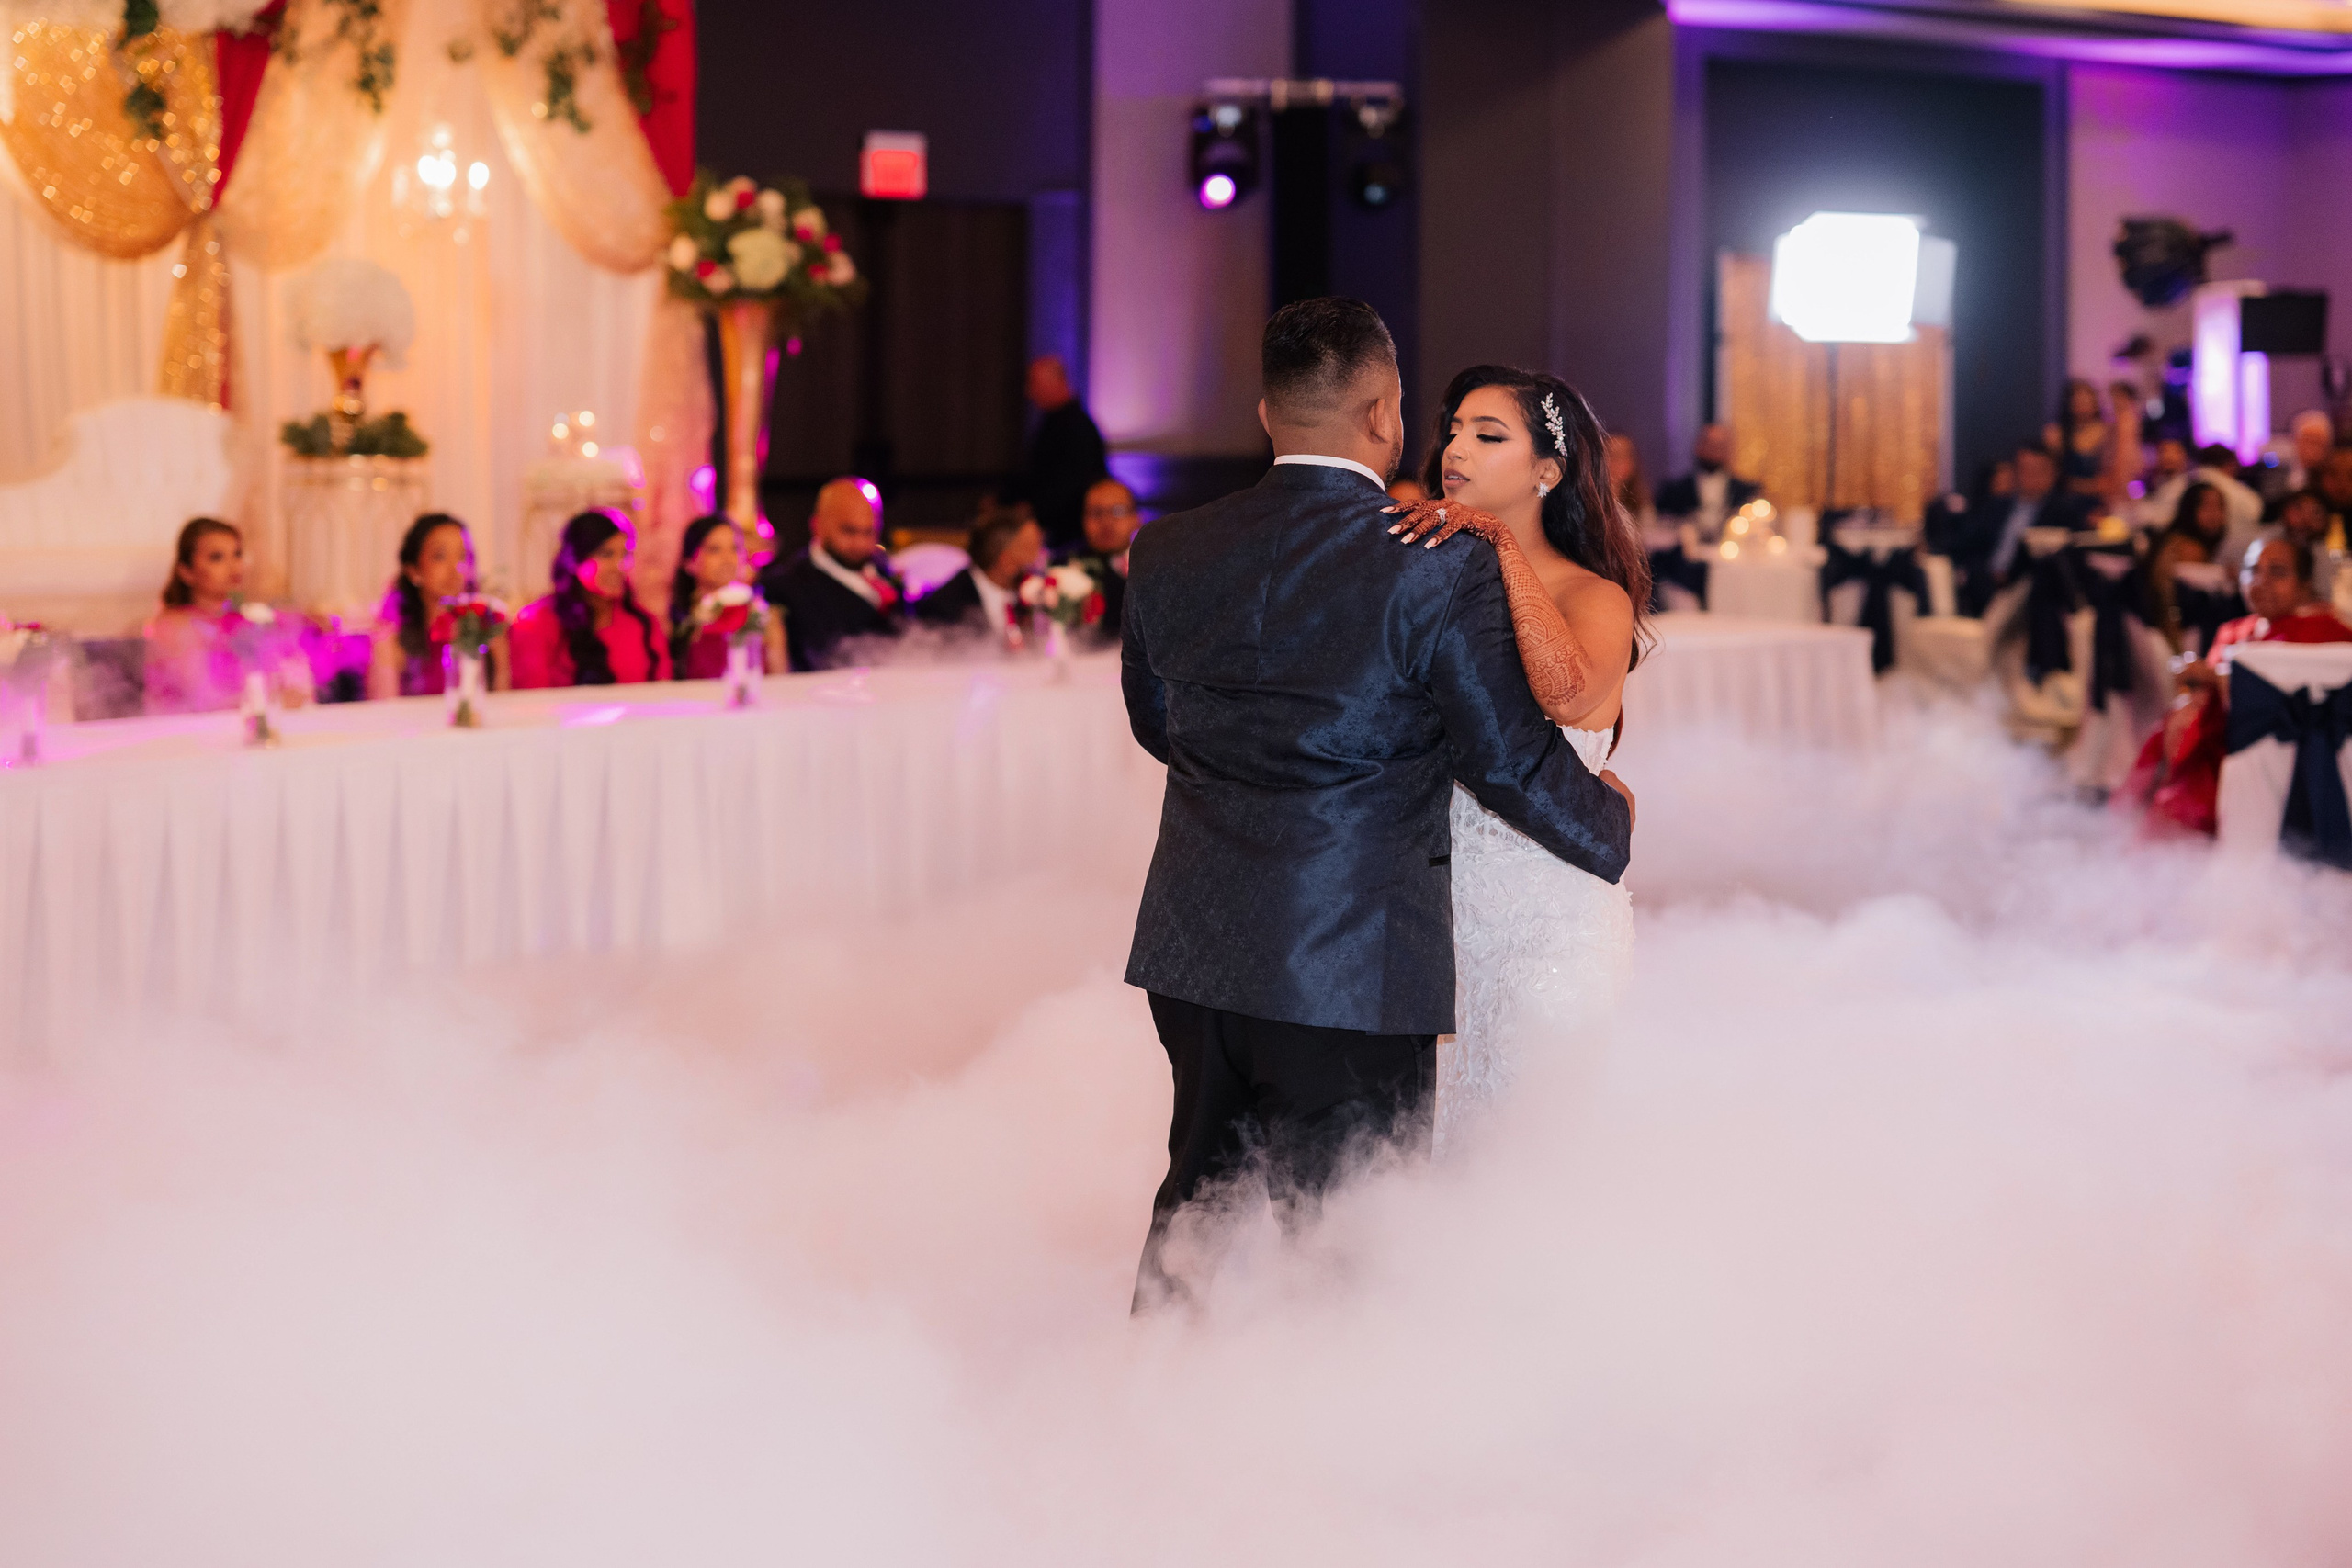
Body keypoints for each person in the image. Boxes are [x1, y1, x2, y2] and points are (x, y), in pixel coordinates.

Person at [1120, 298, 1633, 1309]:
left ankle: (1152, 1424)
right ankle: (1331, 1458)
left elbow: (1158, 724)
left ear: (1269, 414)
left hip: (1194, 944)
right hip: (1348, 957)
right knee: (1348, 1243)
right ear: (1386, 417)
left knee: (1198, 1211)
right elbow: (1505, 760)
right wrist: (1609, 826)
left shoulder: (1166, 546)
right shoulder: (1431, 560)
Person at [1385, 367, 1651, 1147]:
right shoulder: (1428, 576)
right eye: (1455, 429)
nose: (1456, 448)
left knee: (1527, 1148)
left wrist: (1500, 542)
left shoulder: (1591, 593)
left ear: (1547, 471)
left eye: (1487, 435)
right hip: (1434, 907)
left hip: (1547, 913)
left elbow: (1567, 693)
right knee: (1427, 1152)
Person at [2122, 535, 2352, 838]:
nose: (2261, 581)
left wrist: (2214, 677)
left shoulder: (2326, 631)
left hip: (2273, 753)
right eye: (2253, 570)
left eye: (2278, 572)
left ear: (2305, 584)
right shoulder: (2234, 630)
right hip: (2219, 742)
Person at [144, 517, 312, 716]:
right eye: (217, 557)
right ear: (186, 572)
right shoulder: (173, 626)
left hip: (229, 730)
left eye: (237, 554)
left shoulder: (238, 620)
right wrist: (273, 699)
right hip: (182, 737)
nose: (234, 566)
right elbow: (202, 700)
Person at [758, 478, 908, 671]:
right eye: (849, 531)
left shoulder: (884, 570)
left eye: (869, 532)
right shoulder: (785, 587)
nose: (860, 543)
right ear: (817, 526)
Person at [509, 510, 670, 688]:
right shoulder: (537, 622)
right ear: (574, 560)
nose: (620, 566)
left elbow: (662, 698)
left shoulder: (644, 624)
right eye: (606, 554)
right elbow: (531, 702)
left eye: (625, 555)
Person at [369, 513, 508, 700]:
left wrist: (499, 656)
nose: (456, 568)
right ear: (414, 571)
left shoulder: (488, 631)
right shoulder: (393, 641)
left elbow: (503, 704)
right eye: (440, 556)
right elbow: (384, 717)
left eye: (463, 556)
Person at [668, 514, 786, 680]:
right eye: (714, 549)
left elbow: (780, 683)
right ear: (689, 562)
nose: (728, 558)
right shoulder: (675, 623)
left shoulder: (763, 617)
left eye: (735, 548)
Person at [1020, 354, 1108, 552]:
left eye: (1034, 384)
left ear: (1055, 383)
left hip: (1068, 535)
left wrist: (1035, 512)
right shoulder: (1053, 422)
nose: (1029, 393)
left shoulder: (1077, 427)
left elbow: (1072, 484)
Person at [914, 506, 1044, 633]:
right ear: (1006, 561)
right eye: (1032, 549)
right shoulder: (944, 609)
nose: (1041, 557)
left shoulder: (1035, 600)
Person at [2146, 481, 2232, 651]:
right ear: (2190, 509)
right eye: (2206, 507)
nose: (2214, 515)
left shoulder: (2174, 538)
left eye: (2219, 507)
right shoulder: (2187, 547)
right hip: (2175, 638)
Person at [1653, 423, 1759, 542]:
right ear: (1697, 446)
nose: (1714, 450)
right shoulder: (1673, 490)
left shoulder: (1747, 492)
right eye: (1709, 444)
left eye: (1720, 445)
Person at [1069, 475, 1141, 639]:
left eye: (1117, 511)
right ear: (1083, 520)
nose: (1106, 522)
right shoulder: (1066, 567)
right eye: (1096, 513)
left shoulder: (1158, 566)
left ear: (1136, 518)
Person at [1605, 432, 1656, 533]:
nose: (1618, 462)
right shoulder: (1594, 506)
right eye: (1612, 454)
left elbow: (1650, 534)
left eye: (1624, 455)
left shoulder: (1640, 501)